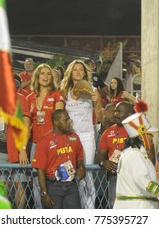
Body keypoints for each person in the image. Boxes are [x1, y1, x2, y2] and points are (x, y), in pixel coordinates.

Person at [60, 59, 103, 209]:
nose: (78, 72)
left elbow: (101, 116)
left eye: (81, 69)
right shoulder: (64, 91)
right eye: (75, 69)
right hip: (70, 137)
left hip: (86, 136)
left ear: (85, 73)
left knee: (88, 173)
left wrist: (97, 102)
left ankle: (89, 209)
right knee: (71, 173)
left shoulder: (92, 89)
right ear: (70, 73)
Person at [113, 112, 159, 209]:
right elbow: (142, 180)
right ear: (141, 137)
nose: (152, 137)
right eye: (149, 134)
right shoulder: (135, 155)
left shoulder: (133, 153)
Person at [27, 63, 65, 208]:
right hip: (35, 144)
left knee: (55, 179)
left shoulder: (57, 95)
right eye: (42, 73)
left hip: (53, 143)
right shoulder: (30, 97)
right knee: (37, 182)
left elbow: (60, 120)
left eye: (48, 73)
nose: (45, 76)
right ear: (37, 76)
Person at [32, 109, 85, 209]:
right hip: (53, 185)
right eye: (66, 120)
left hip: (71, 185)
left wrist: (81, 166)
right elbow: (40, 170)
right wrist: (44, 193)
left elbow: (80, 158)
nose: (69, 122)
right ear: (56, 122)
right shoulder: (45, 141)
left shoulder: (74, 137)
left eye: (69, 119)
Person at [0, 73, 30, 208]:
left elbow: (26, 127)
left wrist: (22, 150)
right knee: (3, 185)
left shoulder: (22, 99)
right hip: (0, 148)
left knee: (19, 184)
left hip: (17, 148)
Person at [97, 101, 133, 208]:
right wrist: (104, 162)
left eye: (119, 112)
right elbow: (100, 155)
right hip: (115, 177)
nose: (115, 114)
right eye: (115, 112)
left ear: (129, 114)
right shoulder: (107, 133)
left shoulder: (137, 131)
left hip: (133, 176)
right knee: (114, 208)